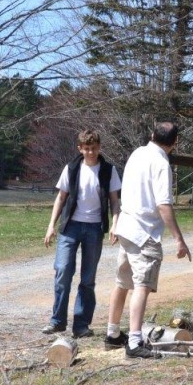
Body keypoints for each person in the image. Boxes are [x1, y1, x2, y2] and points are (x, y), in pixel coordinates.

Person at [106, 122, 192, 358]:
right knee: (141, 286)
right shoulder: (162, 163)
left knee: (122, 282)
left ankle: (112, 334)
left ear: (152, 135)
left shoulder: (137, 153)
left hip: (126, 226)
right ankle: (134, 343)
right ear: (174, 144)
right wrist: (179, 239)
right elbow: (163, 205)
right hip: (144, 233)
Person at [42, 130, 122, 338]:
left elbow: (114, 201)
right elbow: (61, 198)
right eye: (86, 149)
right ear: (80, 148)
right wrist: (51, 225)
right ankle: (57, 321)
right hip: (70, 227)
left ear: (99, 147)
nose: (91, 152)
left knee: (87, 279)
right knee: (62, 272)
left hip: (94, 228)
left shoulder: (108, 170)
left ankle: (81, 325)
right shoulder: (71, 168)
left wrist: (115, 224)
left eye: (94, 148)